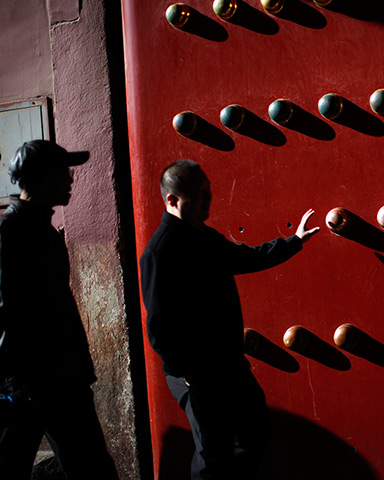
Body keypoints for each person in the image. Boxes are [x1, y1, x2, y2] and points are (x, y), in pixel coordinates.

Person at [140, 159, 319, 480]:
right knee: (213, 455)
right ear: (172, 200)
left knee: (255, 434)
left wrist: (294, 242)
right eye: (199, 195)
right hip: (197, 372)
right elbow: (160, 328)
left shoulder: (202, 235)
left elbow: (246, 257)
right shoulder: (160, 252)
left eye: (208, 192)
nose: (208, 200)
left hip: (226, 364)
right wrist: (187, 372)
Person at [0, 140, 119, 479]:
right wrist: (14, 384)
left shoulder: (40, 231)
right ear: (39, 178)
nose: (70, 180)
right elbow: (5, 312)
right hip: (33, 386)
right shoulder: (11, 234)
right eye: (62, 173)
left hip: (61, 380)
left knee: (93, 468)